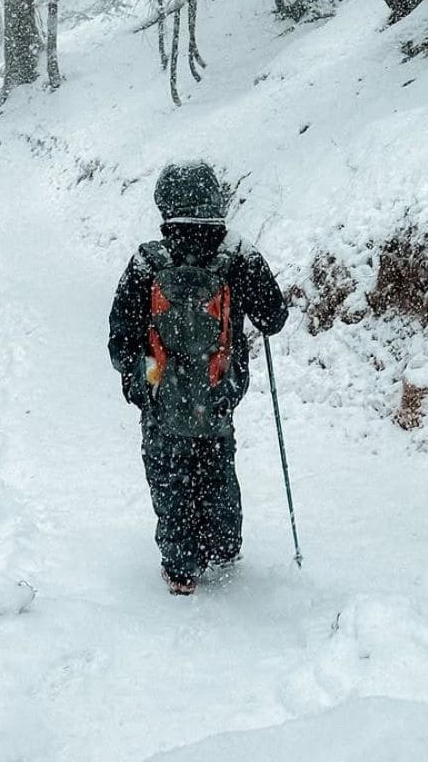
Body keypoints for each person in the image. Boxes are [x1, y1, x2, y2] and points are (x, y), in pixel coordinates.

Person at [108, 161, 288, 595]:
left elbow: (121, 338)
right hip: (217, 392)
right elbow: (274, 317)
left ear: (164, 202)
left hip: (162, 398)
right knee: (216, 469)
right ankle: (223, 547)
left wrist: (142, 385)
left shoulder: (147, 261)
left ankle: (181, 568)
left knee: (170, 477)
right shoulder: (237, 254)